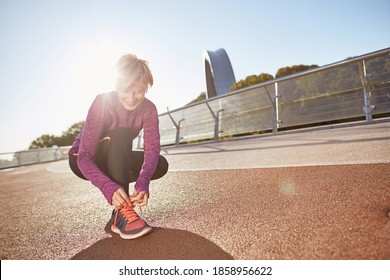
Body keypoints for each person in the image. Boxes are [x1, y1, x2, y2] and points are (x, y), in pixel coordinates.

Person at [68, 53, 168, 239]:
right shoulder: (103, 102)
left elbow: (152, 150)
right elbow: (84, 156)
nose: (131, 98)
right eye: (125, 90)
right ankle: (122, 211)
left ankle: (121, 207)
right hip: (83, 160)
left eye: (138, 91)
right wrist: (108, 187)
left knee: (160, 164)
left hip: (116, 155)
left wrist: (142, 182)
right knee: (122, 135)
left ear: (146, 88)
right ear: (116, 85)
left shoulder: (149, 109)